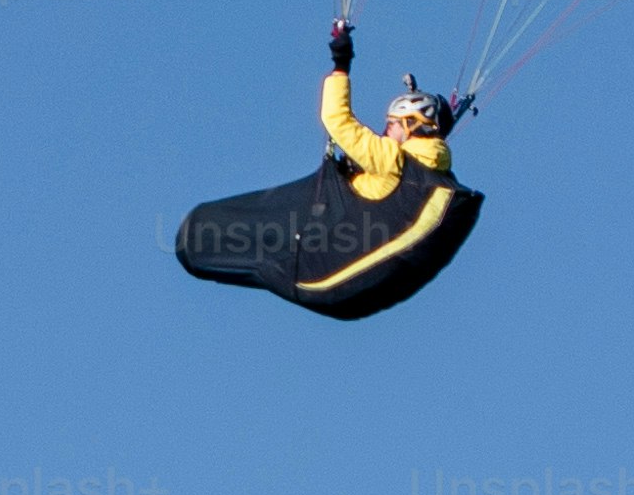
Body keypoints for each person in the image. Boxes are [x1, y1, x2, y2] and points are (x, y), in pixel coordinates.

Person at [174, 22, 480, 320]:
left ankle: (200, 241)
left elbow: (336, 119)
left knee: (242, 233)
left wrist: (340, 64)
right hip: (354, 294)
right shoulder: (434, 175)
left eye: (392, 124)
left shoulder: (391, 161)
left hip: (320, 268)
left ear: (412, 125)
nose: (386, 131)